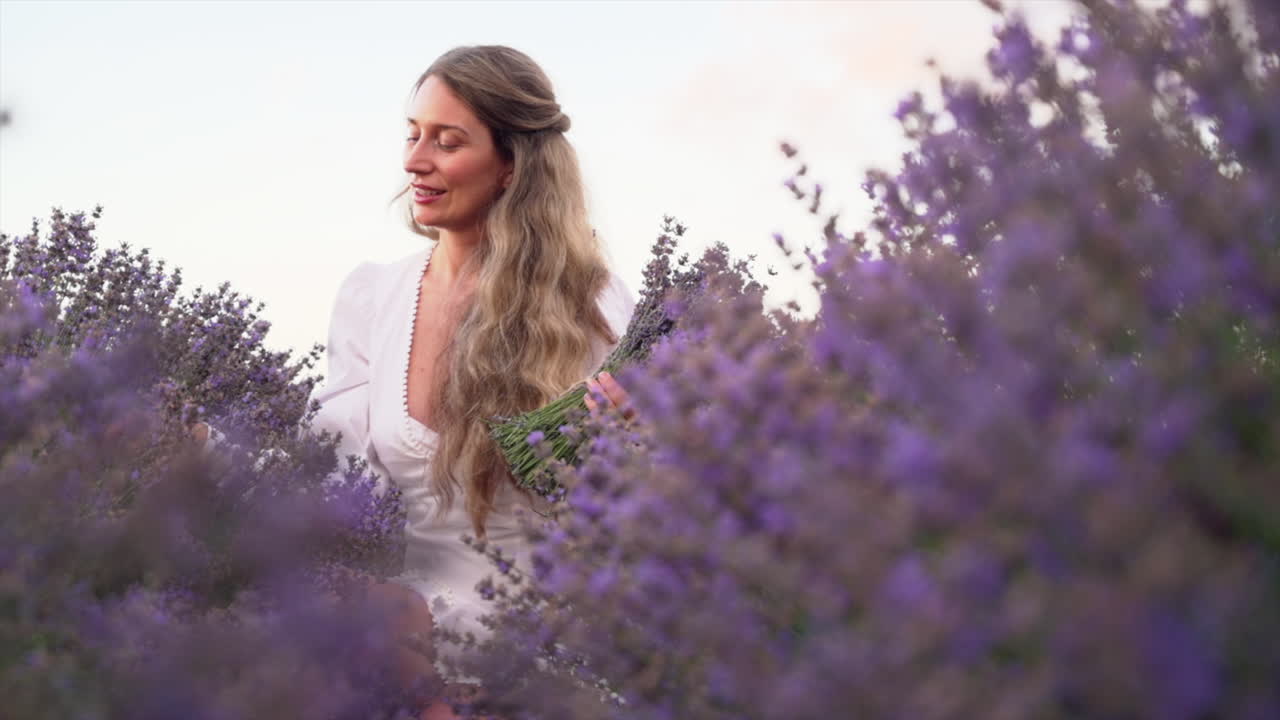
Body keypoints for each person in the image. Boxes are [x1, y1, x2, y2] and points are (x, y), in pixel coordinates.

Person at [195, 45, 637, 718]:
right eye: (413, 135)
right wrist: (206, 448)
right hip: (400, 638)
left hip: (538, 639)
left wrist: (626, 450)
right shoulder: (374, 298)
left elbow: (629, 519)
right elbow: (331, 484)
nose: (414, 161)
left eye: (447, 141)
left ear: (510, 166)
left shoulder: (589, 303)